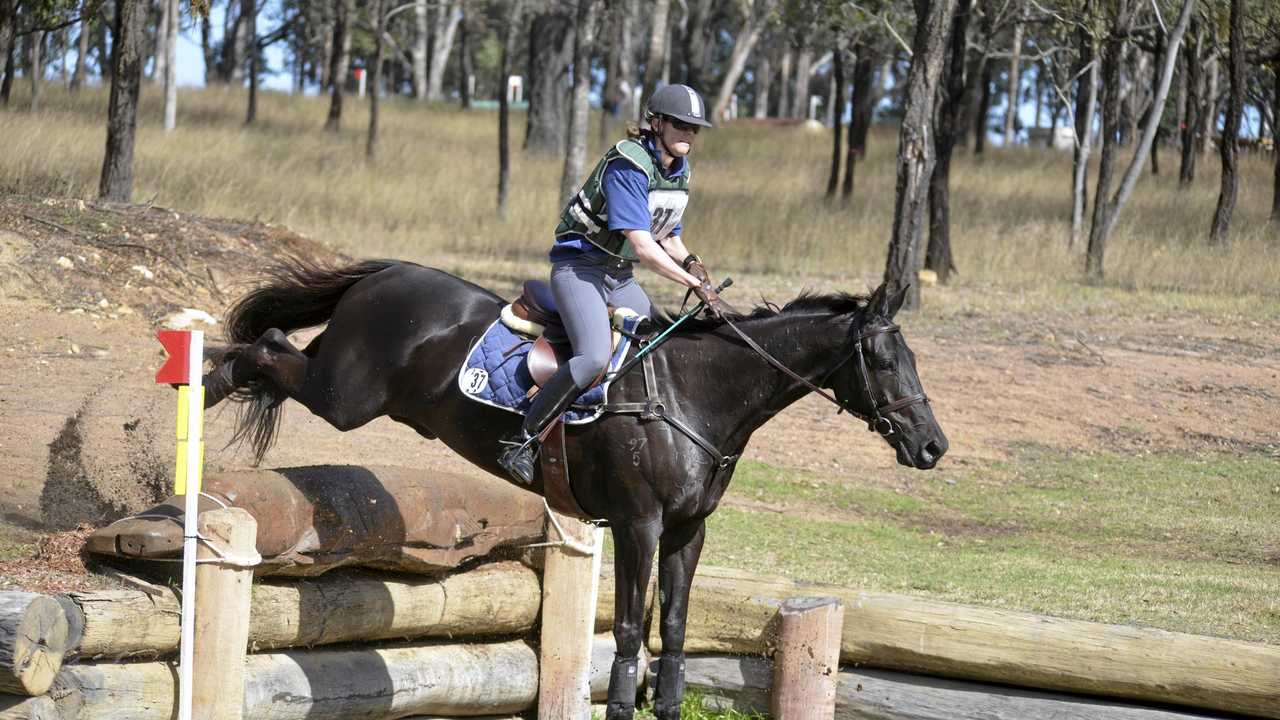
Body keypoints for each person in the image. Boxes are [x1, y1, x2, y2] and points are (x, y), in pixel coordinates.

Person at [498, 83, 724, 486]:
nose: (687, 133)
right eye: (679, 124)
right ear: (655, 123)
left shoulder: (677, 169)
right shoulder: (629, 163)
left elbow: (668, 237)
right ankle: (523, 440)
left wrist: (692, 261)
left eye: (694, 128)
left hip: (618, 275)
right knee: (593, 358)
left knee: (655, 344)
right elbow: (643, 243)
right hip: (580, 269)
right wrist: (691, 282)